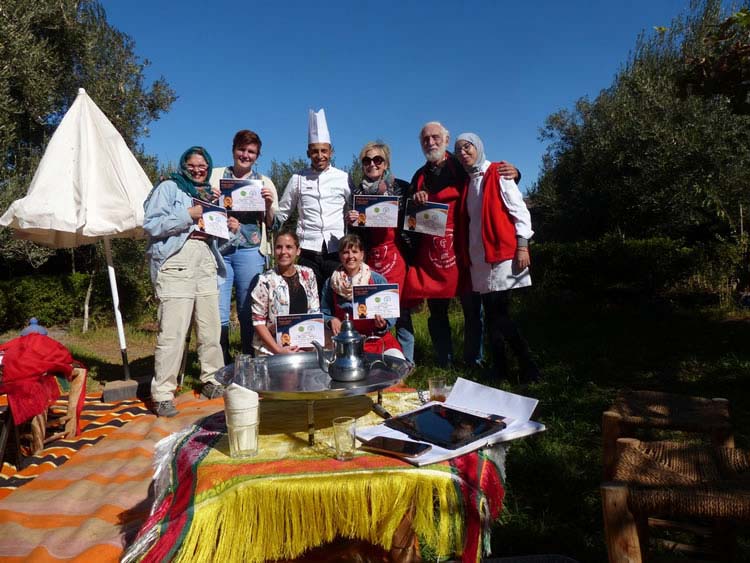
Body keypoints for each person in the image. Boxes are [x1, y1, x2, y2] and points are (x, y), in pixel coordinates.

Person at [402, 122, 519, 368]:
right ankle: (444, 361)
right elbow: (410, 215)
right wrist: (416, 196)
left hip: (465, 252)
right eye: (425, 140)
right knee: (437, 314)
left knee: (472, 312)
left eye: (435, 138)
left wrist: (516, 173)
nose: (430, 142)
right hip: (433, 258)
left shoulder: (461, 165)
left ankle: (473, 360)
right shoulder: (419, 175)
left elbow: (487, 180)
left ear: (446, 140)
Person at [143, 146, 227, 417]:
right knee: (173, 331)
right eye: (192, 165)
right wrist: (187, 215)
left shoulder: (212, 195)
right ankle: (163, 393)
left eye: (203, 166)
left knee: (210, 328)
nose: (198, 169)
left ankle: (211, 379)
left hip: (206, 260)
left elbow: (217, 236)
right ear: (184, 165)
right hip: (177, 259)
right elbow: (151, 225)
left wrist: (231, 228)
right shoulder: (169, 187)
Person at [455, 132, 540, 382]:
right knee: (492, 316)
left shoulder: (498, 172)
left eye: (467, 147)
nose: (463, 153)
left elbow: (520, 211)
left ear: (479, 147)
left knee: (500, 314)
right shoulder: (468, 181)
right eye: (459, 149)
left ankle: (528, 367)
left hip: (502, 256)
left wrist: (522, 245)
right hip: (479, 259)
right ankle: (501, 369)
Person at [209, 130, 279, 364]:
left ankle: (250, 357)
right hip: (220, 250)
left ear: (257, 156)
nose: (245, 155)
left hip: (251, 251)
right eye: (242, 149)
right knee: (218, 310)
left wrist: (268, 204)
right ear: (233, 150)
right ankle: (221, 359)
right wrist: (213, 200)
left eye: (251, 152)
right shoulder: (216, 176)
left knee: (248, 308)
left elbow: (273, 223)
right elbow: (203, 212)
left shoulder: (264, 182)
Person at [267, 108, 351, 293]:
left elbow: (355, 208)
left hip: (336, 249)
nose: (319, 155)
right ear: (308, 153)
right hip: (307, 250)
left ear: (331, 151)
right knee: (309, 299)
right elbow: (284, 212)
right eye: (315, 151)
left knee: (336, 298)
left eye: (323, 151)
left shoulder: (343, 177)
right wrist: (267, 211)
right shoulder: (297, 178)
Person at [346, 141, 415, 361]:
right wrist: (352, 221)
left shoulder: (402, 188)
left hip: (396, 256)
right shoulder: (356, 193)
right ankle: (376, 357)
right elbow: (353, 234)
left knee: (401, 312)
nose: (372, 164)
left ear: (386, 164)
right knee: (374, 310)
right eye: (367, 160)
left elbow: (413, 222)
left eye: (378, 160)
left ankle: (407, 361)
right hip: (370, 260)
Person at [321, 234, 404, 358]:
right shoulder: (331, 282)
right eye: (345, 252)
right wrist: (330, 320)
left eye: (355, 251)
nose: (350, 256)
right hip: (346, 341)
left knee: (396, 362)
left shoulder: (377, 280)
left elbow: (391, 313)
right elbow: (323, 311)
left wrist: (383, 324)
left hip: (376, 339)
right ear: (340, 256)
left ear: (362, 255)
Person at [250, 229, 320, 356]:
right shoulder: (265, 280)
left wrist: (308, 345)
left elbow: (314, 312)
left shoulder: (308, 274)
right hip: (272, 350)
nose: (283, 252)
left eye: (289, 247)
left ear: (298, 250)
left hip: (304, 346)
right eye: (279, 247)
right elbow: (258, 321)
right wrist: (279, 350)